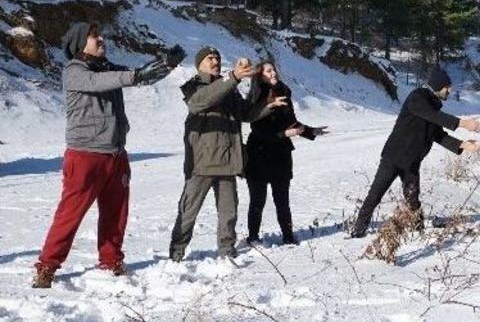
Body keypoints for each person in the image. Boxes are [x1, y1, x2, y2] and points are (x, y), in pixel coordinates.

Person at [33, 22, 183, 288]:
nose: (101, 39)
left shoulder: (108, 67)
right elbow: (103, 81)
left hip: (116, 153)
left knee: (116, 213)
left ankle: (111, 259)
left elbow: (140, 76)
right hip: (85, 155)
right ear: (80, 43)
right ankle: (47, 265)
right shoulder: (74, 71)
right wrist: (137, 74)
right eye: (94, 36)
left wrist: (166, 64)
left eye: (101, 35)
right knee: (70, 214)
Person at [168, 47, 286, 261]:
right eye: (209, 58)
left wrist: (267, 105)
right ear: (199, 64)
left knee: (229, 212)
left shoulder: (229, 87)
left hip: (228, 160)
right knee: (188, 212)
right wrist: (232, 78)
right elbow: (199, 102)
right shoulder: (194, 86)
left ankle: (227, 251)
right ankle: (176, 252)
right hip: (201, 162)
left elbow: (245, 114)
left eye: (217, 58)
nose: (215, 61)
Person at [349, 66, 480, 238]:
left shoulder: (433, 106)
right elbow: (432, 116)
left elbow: (437, 134)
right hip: (393, 158)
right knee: (375, 195)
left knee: (413, 198)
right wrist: (463, 123)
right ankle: (358, 230)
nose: (449, 90)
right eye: (447, 87)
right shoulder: (417, 97)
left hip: (412, 163)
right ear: (437, 85)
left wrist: (463, 144)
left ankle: (417, 229)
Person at [245, 61, 329, 246]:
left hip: (281, 155)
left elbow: (291, 122)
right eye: (269, 71)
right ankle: (252, 237)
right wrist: (284, 134)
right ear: (260, 76)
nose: (273, 73)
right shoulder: (255, 98)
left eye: (274, 69)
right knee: (257, 201)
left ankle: (288, 235)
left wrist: (310, 131)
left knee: (282, 200)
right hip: (258, 155)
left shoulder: (284, 93)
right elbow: (258, 129)